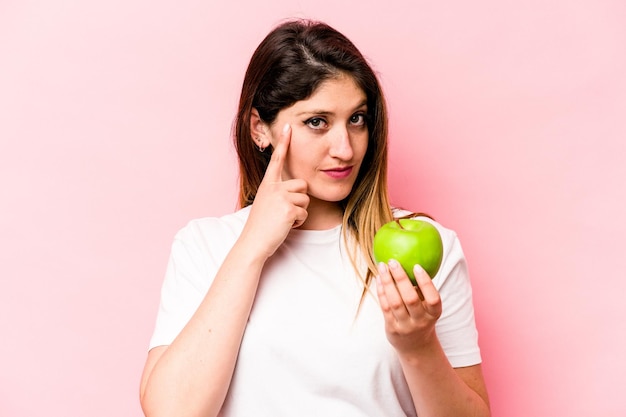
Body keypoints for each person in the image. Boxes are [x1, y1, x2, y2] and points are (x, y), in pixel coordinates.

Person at [139, 18, 490, 417]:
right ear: (260, 129)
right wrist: (252, 246)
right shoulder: (204, 246)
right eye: (317, 122)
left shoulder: (427, 248)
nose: (345, 148)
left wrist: (418, 345)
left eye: (356, 119)